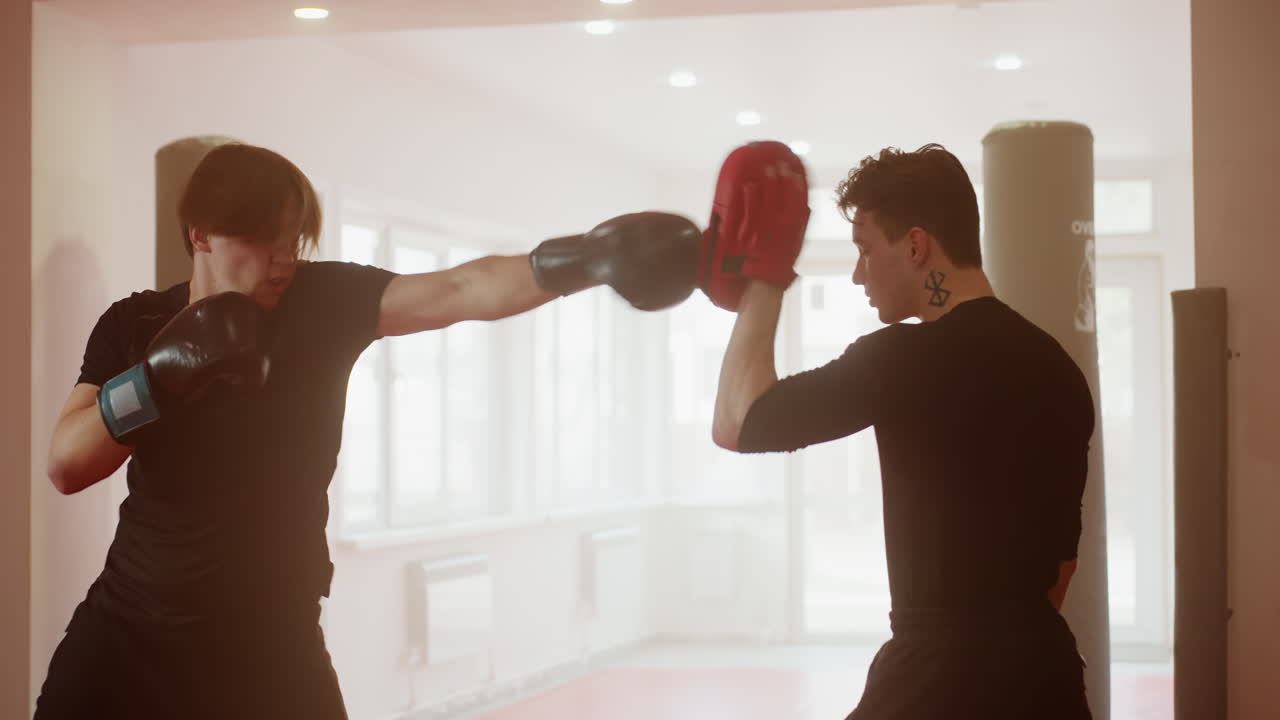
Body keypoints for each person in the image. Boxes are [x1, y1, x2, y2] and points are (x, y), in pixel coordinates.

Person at [36, 142, 700, 719]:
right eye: (262, 239)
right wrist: (156, 376)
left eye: (292, 239)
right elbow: (67, 465)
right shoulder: (134, 325)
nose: (282, 260)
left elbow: (460, 290)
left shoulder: (322, 302)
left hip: (272, 640)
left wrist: (585, 259)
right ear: (201, 234)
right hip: (130, 631)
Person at [704, 141, 1094, 719]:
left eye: (864, 249)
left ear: (916, 246)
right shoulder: (1059, 368)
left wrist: (767, 275)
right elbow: (1061, 570)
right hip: (1045, 676)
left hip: (938, 677)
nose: (858, 274)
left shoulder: (900, 361)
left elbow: (738, 421)